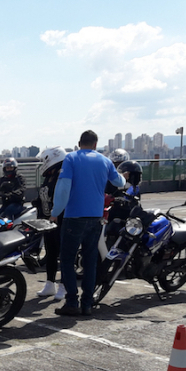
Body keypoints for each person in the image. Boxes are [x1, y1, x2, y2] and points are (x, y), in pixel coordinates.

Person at [50, 130, 125, 317]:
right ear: (95, 144)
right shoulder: (105, 161)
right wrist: (124, 176)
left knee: (67, 260)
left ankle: (72, 302)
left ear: (79, 143)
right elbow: (119, 182)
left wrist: (55, 212)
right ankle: (87, 303)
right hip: (96, 217)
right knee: (90, 260)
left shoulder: (71, 159)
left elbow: (64, 188)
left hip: (74, 217)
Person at [33, 146, 67, 300]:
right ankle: (50, 283)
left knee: (64, 254)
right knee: (51, 252)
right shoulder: (49, 176)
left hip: (61, 221)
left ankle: (64, 285)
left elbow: (63, 197)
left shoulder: (63, 175)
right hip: (48, 221)